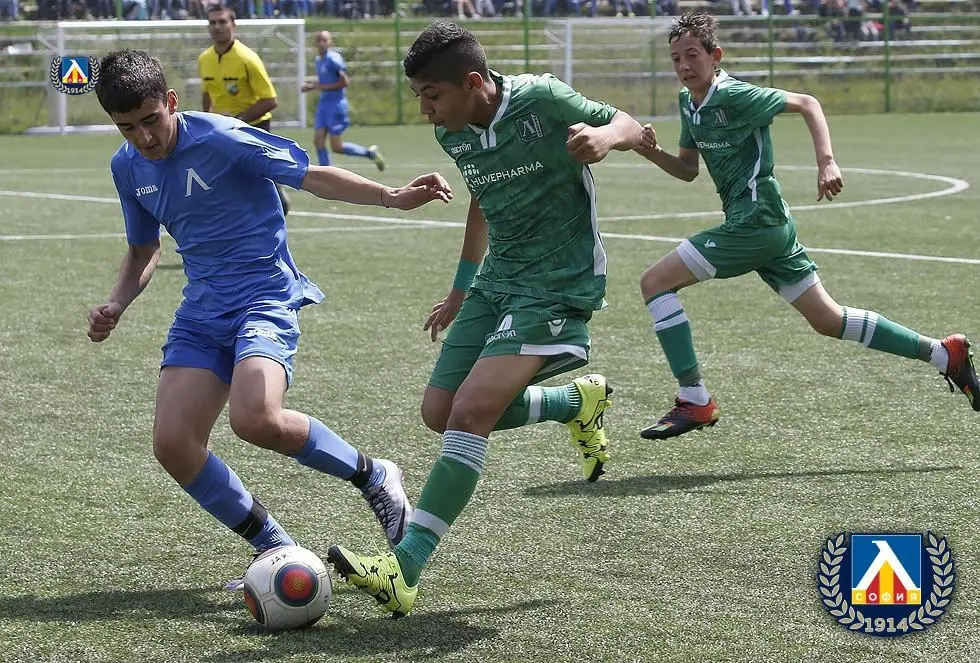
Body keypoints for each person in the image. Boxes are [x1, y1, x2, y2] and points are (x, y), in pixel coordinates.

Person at [87, 49, 453, 590]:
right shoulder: (126, 166)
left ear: (171, 102)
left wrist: (390, 196)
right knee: (173, 443)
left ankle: (375, 476)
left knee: (256, 418)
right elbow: (144, 250)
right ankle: (276, 547)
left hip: (264, 295)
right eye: (127, 128)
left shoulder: (222, 138)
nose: (143, 137)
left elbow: (311, 176)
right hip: (202, 311)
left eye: (150, 120)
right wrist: (117, 303)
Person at [326, 20, 643, 618]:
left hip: (557, 285)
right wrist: (459, 290)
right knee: (440, 411)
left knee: (470, 413)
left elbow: (627, 122)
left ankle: (404, 568)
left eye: (432, 96)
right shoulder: (454, 134)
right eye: (419, 96)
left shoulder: (542, 99)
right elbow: (483, 200)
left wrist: (605, 137)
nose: (425, 110)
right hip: (498, 282)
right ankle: (576, 403)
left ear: (474, 83)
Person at [632, 11, 978, 441]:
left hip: (756, 223)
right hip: (767, 226)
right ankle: (944, 354)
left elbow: (807, 103)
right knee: (828, 320)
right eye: (676, 59)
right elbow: (687, 169)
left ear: (715, 56)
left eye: (692, 55)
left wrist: (826, 161)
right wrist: (650, 152)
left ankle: (694, 399)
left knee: (655, 283)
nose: (684, 66)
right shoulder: (689, 103)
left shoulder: (736, 95)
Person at [198, 4, 292, 214]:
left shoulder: (248, 58)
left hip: (253, 126)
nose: (217, 27)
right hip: (221, 130)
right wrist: (206, 121)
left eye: (222, 22)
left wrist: (238, 120)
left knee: (260, 182)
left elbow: (270, 100)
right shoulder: (204, 59)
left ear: (233, 25)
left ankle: (276, 187)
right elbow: (207, 92)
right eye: (212, 22)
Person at [301, 30, 386, 171]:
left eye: (325, 40)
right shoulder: (318, 60)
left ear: (330, 43)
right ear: (315, 43)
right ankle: (326, 174)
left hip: (336, 105)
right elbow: (325, 81)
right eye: (319, 40)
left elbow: (344, 82)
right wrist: (312, 86)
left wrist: (319, 86)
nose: (321, 43)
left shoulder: (333, 59)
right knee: (318, 141)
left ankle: (369, 153)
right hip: (324, 105)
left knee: (337, 147)